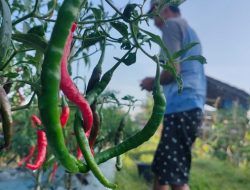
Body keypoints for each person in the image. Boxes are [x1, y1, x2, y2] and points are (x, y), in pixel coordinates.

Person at [140, 1, 206, 190]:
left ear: (165, 9)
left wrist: (151, 83)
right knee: (163, 169)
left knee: (176, 176)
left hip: (182, 104)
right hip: (189, 105)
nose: (153, 22)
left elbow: (173, 72)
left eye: (153, 14)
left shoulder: (171, 25)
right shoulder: (188, 30)